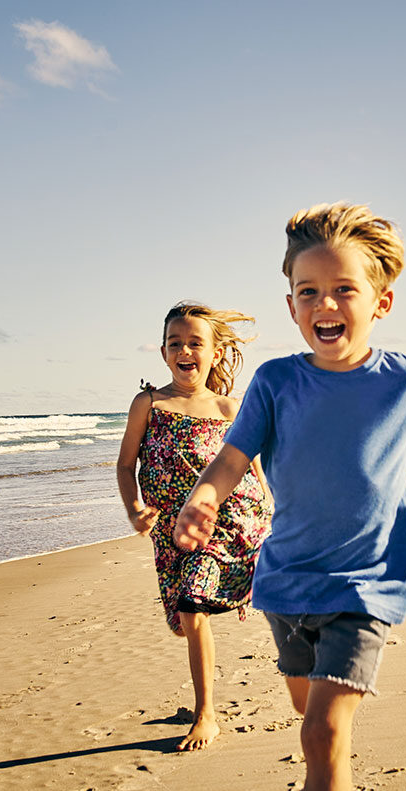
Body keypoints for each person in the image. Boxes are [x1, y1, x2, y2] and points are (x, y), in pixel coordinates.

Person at [172, 204, 406, 791]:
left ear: (381, 302)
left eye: (343, 290)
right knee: (314, 727)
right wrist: (203, 496)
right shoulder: (276, 382)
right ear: (291, 306)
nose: (324, 305)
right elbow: (233, 457)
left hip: (367, 583)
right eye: (308, 292)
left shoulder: (402, 377)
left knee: (323, 732)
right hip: (286, 583)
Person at [116, 302, 272, 752]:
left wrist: (273, 508)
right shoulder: (148, 403)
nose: (185, 350)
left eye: (195, 343)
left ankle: (207, 715)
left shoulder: (229, 407)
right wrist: (134, 508)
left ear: (216, 352)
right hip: (172, 531)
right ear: (164, 352)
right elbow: (126, 465)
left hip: (232, 522)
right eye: (175, 343)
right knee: (187, 617)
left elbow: (256, 470)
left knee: (192, 605)